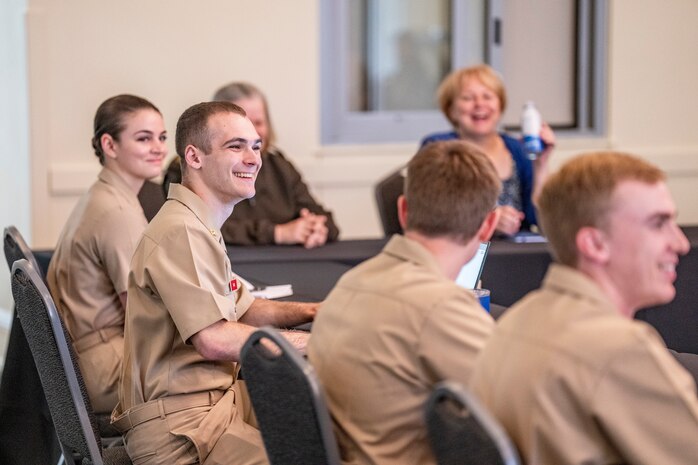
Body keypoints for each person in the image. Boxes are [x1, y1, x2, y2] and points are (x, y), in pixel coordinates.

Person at [112, 101, 318, 465]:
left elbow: (246, 308)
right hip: (183, 429)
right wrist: (316, 342)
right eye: (235, 146)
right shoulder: (182, 232)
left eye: (255, 146)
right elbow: (214, 338)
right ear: (194, 157)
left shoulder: (197, 223)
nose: (253, 158)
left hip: (210, 405)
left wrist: (313, 311)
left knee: (324, 418)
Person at [470, 152, 698, 465]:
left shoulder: (516, 321)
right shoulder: (621, 349)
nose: (681, 243)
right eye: (658, 224)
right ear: (594, 244)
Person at [308, 140, 500, 465]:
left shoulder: (350, 283)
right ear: (488, 226)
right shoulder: (440, 307)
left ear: (402, 210)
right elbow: (518, 411)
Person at [47, 94, 167, 414]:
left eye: (162, 137)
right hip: (106, 370)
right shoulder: (117, 211)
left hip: (89, 359)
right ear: (110, 146)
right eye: (144, 138)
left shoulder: (105, 194)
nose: (159, 148)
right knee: (221, 372)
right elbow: (142, 316)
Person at [164, 81, 339, 247]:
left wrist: (317, 228)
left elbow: (321, 216)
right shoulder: (187, 170)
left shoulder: (280, 166)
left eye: (259, 122)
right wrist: (276, 233)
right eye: (243, 123)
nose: (252, 131)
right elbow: (202, 226)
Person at [421, 64, 555, 236]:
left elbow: (541, 221)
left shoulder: (519, 149)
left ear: (500, 106)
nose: (479, 104)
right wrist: (487, 222)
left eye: (487, 96)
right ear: (451, 110)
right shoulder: (438, 147)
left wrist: (541, 165)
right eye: (468, 98)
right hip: (461, 253)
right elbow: (431, 214)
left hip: (515, 254)